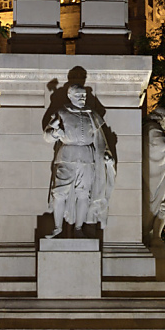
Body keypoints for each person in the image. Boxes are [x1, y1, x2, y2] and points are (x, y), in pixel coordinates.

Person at [44, 83, 115, 237]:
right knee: (60, 193)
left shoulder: (92, 114)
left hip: (87, 157)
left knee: (84, 194)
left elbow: (100, 138)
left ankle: (78, 228)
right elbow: (47, 135)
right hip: (67, 155)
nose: (82, 98)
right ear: (70, 96)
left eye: (84, 96)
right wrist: (55, 133)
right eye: (78, 95)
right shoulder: (61, 112)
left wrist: (106, 153)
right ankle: (58, 227)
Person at [142, 107, 165, 242]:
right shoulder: (152, 128)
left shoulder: (151, 128)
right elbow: (161, 146)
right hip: (155, 175)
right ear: (161, 118)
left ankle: (156, 236)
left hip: (159, 174)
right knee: (164, 204)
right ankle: (154, 235)